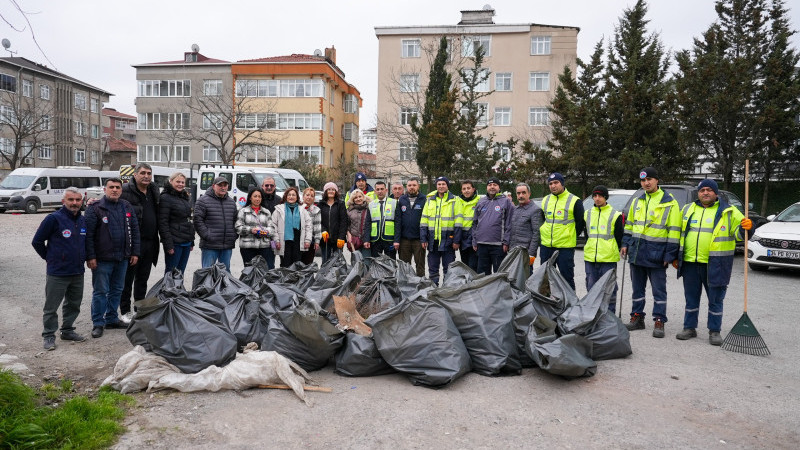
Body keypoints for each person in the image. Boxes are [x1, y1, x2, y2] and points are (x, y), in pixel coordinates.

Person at [676, 179, 751, 345]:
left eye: (709, 190)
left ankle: (714, 331)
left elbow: (740, 235)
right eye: (702, 190)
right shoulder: (688, 209)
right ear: (698, 193)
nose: (705, 193)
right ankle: (689, 327)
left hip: (717, 264)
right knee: (691, 298)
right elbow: (679, 234)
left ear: (716, 193)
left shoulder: (729, 211)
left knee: (716, 299)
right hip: (690, 262)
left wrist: (747, 227)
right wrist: (676, 256)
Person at [621, 167, 681, 338]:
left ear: (657, 180)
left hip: (657, 255)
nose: (646, 183)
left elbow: (674, 231)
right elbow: (630, 226)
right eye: (643, 180)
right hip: (637, 253)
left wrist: (670, 255)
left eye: (649, 179)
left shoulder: (669, 202)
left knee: (659, 291)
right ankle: (637, 318)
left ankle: (659, 320)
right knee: (637, 289)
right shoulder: (637, 201)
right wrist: (625, 243)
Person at [31, 188, 88, 350]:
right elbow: (37, 242)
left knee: (73, 304)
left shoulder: (82, 220)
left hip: (77, 271)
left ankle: (67, 330)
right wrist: (49, 258)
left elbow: (85, 243)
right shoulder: (53, 219)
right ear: (64, 201)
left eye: (78, 200)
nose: (75, 203)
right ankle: (49, 335)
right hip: (57, 272)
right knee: (51, 306)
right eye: (71, 200)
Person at [85, 177, 140, 339]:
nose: (115, 190)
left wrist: (135, 252)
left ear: (121, 190)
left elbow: (135, 231)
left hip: (122, 257)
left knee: (117, 289)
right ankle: (98, 323)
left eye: (117, 187)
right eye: (111, 187)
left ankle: (111, 319)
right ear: (105, 189)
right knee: (101, 291)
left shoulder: (126, 206)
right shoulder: (95, 208)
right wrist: (91, 256)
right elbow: (88, 236)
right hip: (102, 259)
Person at [119, 163, 159, 324]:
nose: (146, 176)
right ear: (135, 174)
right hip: (133, 244)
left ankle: (139, 308)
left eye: (149, 173)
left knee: (142, 278)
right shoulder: (126, 191)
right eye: (143, 173)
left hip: (151, 243)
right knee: (127, 279)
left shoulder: (153, 190)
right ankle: (125, 311)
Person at [539, 172, 585, 291]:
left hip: (565, 247)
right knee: (545, 278)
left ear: (562, 183)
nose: (553, 186)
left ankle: (570, 305)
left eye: (556, 183)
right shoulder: (545, 200)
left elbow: (580, 222)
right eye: (550, 183)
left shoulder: (575, 201)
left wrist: (569, 234)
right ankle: (547, 305)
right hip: (546, 246)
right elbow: (543, 220)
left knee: (566, 278)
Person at [583, 186, 624, 313]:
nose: (597, 198)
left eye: (600, 196)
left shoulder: (615, 215)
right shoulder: (588, 213)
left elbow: (619, 236)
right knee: (591, 287)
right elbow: (587, 235)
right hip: (590, 257)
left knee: (609, 288)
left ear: (605, 197)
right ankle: (592, 314)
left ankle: (609, 314)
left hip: (608, 258)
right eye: (594, 196)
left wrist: (615, 248)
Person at [420, 176, 459, 285]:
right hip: (433, 241)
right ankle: (434, 290)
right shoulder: (429, 201)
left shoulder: (455, 200)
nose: (441, 186)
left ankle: (447, 292)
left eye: (443, 184)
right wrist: (423, 238)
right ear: (436, 186)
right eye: (439, 184)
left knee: (449, 270)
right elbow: (424, 221)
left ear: (447, 186)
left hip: (448, 241)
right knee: (433, 269)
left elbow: (458, 222)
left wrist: (456, 240)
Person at [194, 176, 238, 271]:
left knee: (225, 273)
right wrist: (207, 236)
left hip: (227, 245)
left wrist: (233, 236)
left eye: (225, 185)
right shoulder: (203, 201)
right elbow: (197, 221)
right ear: (213, 186)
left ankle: (224, 287)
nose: (223, 187)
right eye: (220, 185)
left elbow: (236, 221)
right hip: (210, 245)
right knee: (207, 273)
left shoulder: (231, 202)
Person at [472, 177, 514, 275]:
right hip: (481, 244)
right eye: (490, 185)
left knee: (499, 274)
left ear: (499, 188)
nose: (492, 187)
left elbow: (509, 223)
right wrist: (474, 240)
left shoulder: (506, 202)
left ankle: (498, 291)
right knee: (482, 275)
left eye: (495, 185)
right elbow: (475, 223)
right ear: (486, 187)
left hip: (498, 246)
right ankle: (483, 291)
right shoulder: (481, 202)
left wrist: (506, 242)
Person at [158, 172, 194, 274]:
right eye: (177, 181)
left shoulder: (184, 196)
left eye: (182, 182)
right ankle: (168, 290)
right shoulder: (165, 197)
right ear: (171, 181)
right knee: (171, 272)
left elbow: (188, 220)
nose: (180, 184)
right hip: (174, 242)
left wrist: (192, 241)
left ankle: (179, 290)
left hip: (186, 241)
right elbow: (163, 223)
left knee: (181, 272)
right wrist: (168, 245)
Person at [270, 187, 312, 267]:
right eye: (289, 195)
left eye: (293, 195)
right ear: (285, 196)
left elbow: (308, 226)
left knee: (297, 265)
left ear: (297, 197)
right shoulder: (279, 209)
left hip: (298, 241)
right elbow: (273, 226)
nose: (291, 197)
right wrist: (276, 240)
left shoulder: (302, 210)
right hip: (284, 242)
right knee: (285, 265)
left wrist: (308, 240)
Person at [394, 177, 426, 276]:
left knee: (420, 266)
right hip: (404, 240)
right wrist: (397, 240)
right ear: (406, 187)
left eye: (414, 185)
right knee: (404, 267)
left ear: (418, 186)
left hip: (419, 240)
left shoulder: (424, 199)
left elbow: (426, 221)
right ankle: (406, 288)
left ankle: (421, 286)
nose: (412, 187)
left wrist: (424, 238)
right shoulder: (402, 200)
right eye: (409, 185)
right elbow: (398, 221)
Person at [509, 182, 543, 273]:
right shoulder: (515, 210)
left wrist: (531, 254)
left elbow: (536, 233)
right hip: (513, 252)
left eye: (523, 193)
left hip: (525, 253)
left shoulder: (535, 210)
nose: (521, 195)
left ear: (529, 194)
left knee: (526, 280)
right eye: (518, 193)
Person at [235, 188, 272, 265]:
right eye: (255, 196)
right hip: (248, 247)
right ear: (250, 198)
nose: (257, 199)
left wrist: (265, 231)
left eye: (259, 196)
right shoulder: (243, 211)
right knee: (249, 272)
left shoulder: (266, 212)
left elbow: (271, 228)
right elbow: (238, 227)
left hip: (264, 246)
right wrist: (251, 230)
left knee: (264, 272)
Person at [317, 182, 348, 262]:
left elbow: (344, 222)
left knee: (337, 263)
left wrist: (341, 237)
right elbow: (318, 220)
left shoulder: (341, 204)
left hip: (337, 239)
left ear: (336, 192)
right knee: (325, 261)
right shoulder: (321, 204)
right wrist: (323, 230)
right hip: (325, 239)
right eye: (329, 189)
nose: (331, 191)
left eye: (333, 189)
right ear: (325, 192)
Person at [368, 181, 398, 258]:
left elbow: (398, 222)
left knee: (391, 264)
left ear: (386, 190)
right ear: (375, 191)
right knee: (376, 264)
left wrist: (397, 240)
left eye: (382, 189)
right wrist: (367, 239)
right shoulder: (371, 205)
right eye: (377, 189)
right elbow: (367, 223)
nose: (380, 191)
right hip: (375, 240)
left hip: (389, 239)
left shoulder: (394, 203)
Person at [455, 180, 479, 272]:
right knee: (465, 265)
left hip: (474, 238)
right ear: (461, 191)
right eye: (464, 189)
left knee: (473, 266)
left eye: (468, 188)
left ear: (473, 189)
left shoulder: (479, 201)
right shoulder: (457, 201)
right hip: (462, 238)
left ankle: (473, 285)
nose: (466, 191)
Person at [260, 176, 282, 269]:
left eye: (271, 185)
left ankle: (268, 282)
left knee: (270, 263)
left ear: (275, 186)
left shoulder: (279, 200)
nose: (269, 187)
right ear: (262, 186)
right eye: (267, 185)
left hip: (273, 238)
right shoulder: (258, 197)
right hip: (259, 236)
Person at [346, 189, 372, 263]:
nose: (358, 199)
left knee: (367, 263)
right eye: (355, 198)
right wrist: (348, 235)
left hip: (366, 240)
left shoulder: (369, 208)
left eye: (360, 196)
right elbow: (346, 225)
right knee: (356, 264)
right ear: (352, 200)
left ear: (363, 197)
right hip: (354, 241)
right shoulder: (349, 210)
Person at [300, 187, 322, 265]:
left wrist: (317, 241)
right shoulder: (298, 208)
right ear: (303, 196)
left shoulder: (316, 210)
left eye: (312, 196)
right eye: (307, 195)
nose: (309, 197)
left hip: (310, 241)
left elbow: (317, 227)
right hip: (298, 240)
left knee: (307, 264)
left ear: (314, 198)